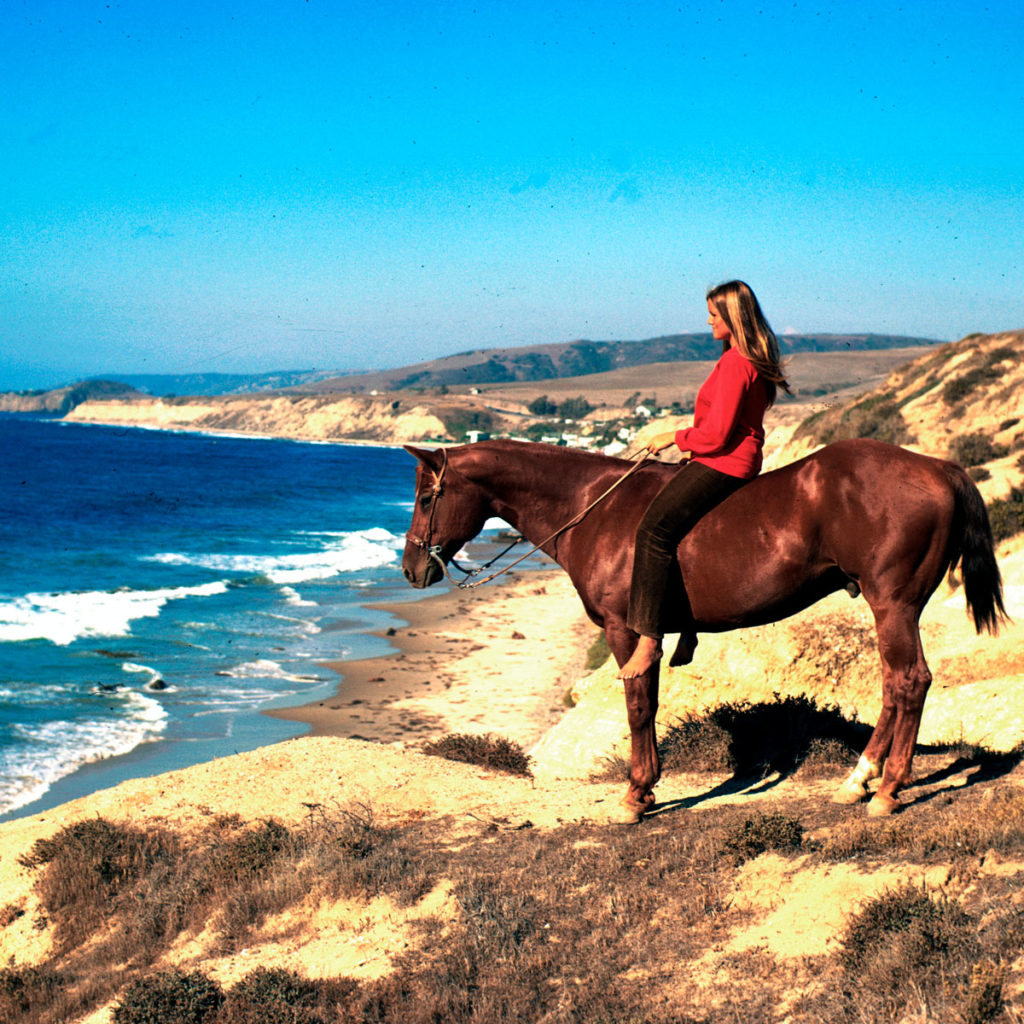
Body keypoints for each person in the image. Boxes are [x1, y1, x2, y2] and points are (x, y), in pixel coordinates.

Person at [617, 280, 790, 680]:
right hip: (730, 460)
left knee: (654, 531)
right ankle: (688, 627)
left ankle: (647, 641)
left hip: (724, 462)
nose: (708, 320)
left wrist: (671, 438)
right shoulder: (745, 357)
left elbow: (715, 435)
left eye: (714, 314)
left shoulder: (735, 363)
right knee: (683, 531)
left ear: (733, 318)